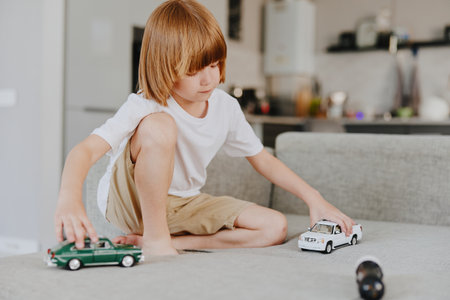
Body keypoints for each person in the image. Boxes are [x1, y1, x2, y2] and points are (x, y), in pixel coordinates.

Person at [55, 0, 355, 256]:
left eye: (214, 65)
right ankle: (157, 243)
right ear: (165, 66)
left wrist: (315, 199)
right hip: (128, 202)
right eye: (193, 70)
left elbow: (262, 159)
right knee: (160, 126)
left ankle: (171, 242)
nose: (208, 79)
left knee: (275, 226)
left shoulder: (225, 107)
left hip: (183, 203)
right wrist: (69, 199)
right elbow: (84, 151)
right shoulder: (146, 104)